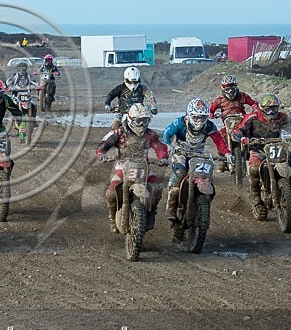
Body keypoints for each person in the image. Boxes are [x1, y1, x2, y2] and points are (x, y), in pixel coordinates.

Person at [95, 103, 169, 234]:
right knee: (111, 193)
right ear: (131, 119)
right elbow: (104, 143)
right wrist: (101, 154)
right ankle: (112, 218)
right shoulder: (119, 132)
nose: (142, 124)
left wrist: (163, 157)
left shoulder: (150, 134)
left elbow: (159, 146)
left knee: (157, 188)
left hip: (144, 166)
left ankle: (152, 214)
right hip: (122, 166)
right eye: (139, 120)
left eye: (145, 120)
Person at [161, 98, 234, 221]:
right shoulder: (180, 122)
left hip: (199, 153)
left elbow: (219, 140)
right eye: (195, 117)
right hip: (181, 152)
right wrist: (169, 145)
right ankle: (171, 206)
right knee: (180, 174)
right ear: (189, 115)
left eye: (202, 117)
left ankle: (203, 202)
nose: (199, 121)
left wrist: (227, 153)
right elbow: (166, 134)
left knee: (206, 177)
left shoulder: (210, 125)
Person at [232, 93, 291, 211]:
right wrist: (242, 137)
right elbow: (237, 129)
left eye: (274, 108)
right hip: (257, 148)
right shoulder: (252, 117)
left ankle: (284, 186)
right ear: (262, 108)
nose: (271, 112)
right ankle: (256, 198)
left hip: (277, 147)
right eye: (267, 109)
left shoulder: (282, 117)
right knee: (254, 168)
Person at [209, 74, 260, 171]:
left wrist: (255, 109)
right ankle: (224, 161)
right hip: (228, 124)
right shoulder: (219, 100)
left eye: (232, 88)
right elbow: (211, 110)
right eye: (227, 89)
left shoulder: (242, 96)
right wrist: (212, 114)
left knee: (254, 134)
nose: (230, 91)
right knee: (221, 137)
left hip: (243, 122)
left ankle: (257, 155)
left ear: (236, 87)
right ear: (223, 88)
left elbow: (253, 103)